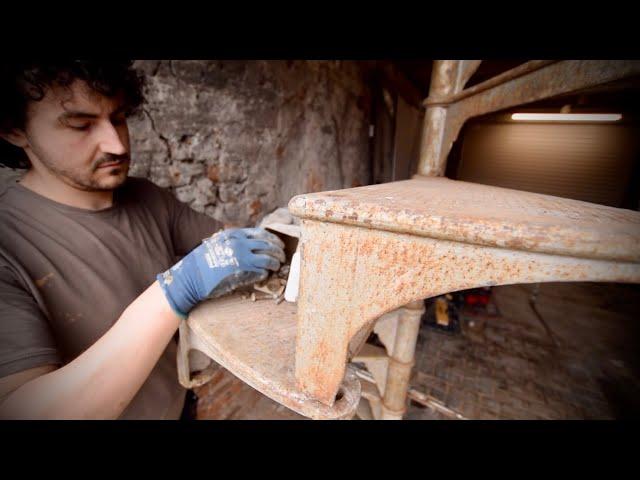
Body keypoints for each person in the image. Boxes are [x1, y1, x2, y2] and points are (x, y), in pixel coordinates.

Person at [0, 61, 285, 419]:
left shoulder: (147, 198)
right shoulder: (8, 242)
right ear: (14, 130)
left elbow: (224, 241)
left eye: (118, 118)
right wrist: (177, 288)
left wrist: (273, 233)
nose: (116, 144)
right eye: (81, 125)